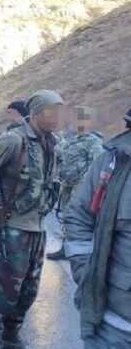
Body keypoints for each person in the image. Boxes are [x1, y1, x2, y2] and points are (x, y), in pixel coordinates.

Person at [0, 90, 64, 349]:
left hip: (38, 230)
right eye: (51, 110)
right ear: (36, 112)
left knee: (27, 292)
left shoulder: (52, 143)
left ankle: (11, 335)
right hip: (11, 230)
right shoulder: (13, 139)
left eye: (59, 110)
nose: (56, 116)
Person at [64, 107, 131, 347]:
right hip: (114, 327)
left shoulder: (92, 142)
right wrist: (87, 273)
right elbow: (79, 216)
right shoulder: (113, 160)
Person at [47, 106, 104, 260]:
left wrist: (86, 183)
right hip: (67, 183)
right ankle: (65, 248)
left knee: (77, 217)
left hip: (81, 185)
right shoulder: (70, 137)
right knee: (66, 216)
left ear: (90, 121)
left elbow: (96, 164)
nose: (81, 121)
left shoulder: (93, 140)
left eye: (84, 118)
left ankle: (81, 250)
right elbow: (62, 155)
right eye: (78, 118)